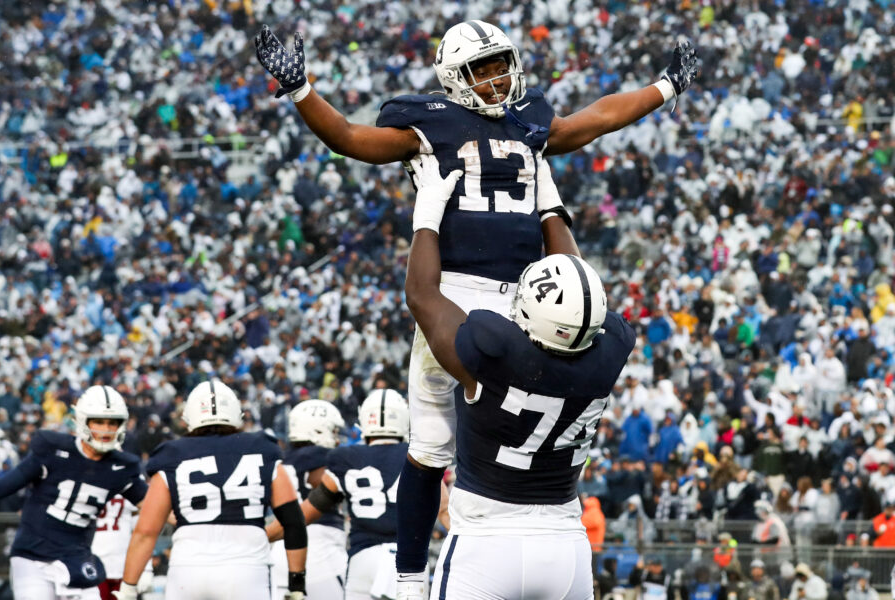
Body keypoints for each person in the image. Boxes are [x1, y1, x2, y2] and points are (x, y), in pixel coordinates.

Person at [254, 22, 696, 596]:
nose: (497, 77)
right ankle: (411, 577)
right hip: (454, 292)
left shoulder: (527, 117)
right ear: (453, 77)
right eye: (482, 69)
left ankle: (516, 539)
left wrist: (665, 88)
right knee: (431, 445)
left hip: (530, 297)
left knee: (537, 420)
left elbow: (595, 120)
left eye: (501, 64)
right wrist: (301, 90)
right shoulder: (427, 118)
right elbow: (351, 138)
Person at [400, 153, 636, 598]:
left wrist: (428, 210)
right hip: (566, 545)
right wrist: (549, 204)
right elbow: (579, 286)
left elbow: (421, 293)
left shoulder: (495, 349)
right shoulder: (611, 351)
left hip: (487, 543)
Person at [0, 385, 148, 600]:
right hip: (33, 555)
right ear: (82, 420)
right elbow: (2, 486)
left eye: (113, 423)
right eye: (99, 421)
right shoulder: (52, 448)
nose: (106, 430)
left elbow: (153, 506)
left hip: (77, 558)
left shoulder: (123, 467)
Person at [115, 379, 307, 600]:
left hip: (188, 570)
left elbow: (146, 531)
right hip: (246, 570)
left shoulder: (172, 453)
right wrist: (296, 585)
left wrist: (128, 588)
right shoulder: (262, 448)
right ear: (237, 413)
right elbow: (294, 522)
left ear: (189, 417)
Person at [268, 390, 446, 600]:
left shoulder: (345, 458)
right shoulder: (418, 455)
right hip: (408, 560)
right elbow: (444, 509)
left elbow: (305, 512)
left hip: (362, 559)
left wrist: (260, 536)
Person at [270, 399, 347, 600]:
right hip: (321, 550)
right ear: (319, 429)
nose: (337, 439)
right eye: (334, 431)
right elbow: (322, 485)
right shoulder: (327, 456)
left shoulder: (279, 460)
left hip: (280, 551)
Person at [92, 495, 153, 599]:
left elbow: (141, 531)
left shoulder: (129, 482)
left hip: (123, 567)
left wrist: (146, 568)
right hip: (94, 565)